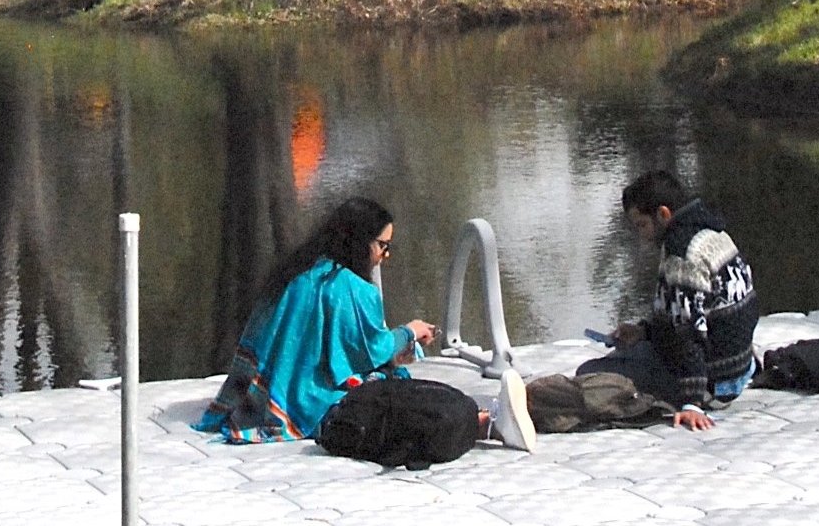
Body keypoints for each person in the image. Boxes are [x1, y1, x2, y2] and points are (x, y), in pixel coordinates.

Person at [195, 197, 536, 451]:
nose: (385, 256)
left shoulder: (297, 270)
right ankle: (486, 421)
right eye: (383, 246)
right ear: (361, 241)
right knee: (394, 388)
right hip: (307, 401)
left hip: (266, 391)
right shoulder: (351, 289)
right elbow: (368, 351)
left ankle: (490, 418)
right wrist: (409, 332)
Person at [580, 169, 759, 432]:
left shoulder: (682, 254)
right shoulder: (713, 233)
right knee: (631, 353)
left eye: (642, 224)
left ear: (663, 214)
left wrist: (692, 403)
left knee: (592, 374)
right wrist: (645, 331)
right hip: (741, 368)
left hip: (713, 383)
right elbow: (698, 311)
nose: (641, 234)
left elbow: (689, 333)